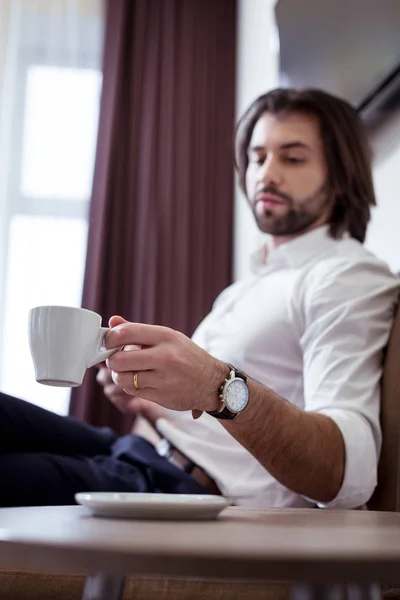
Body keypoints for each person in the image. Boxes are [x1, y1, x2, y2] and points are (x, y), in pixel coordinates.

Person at [0, 88, 398, 509]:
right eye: (258, 157)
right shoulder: (247, 287)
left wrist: (215, 386)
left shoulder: (345, 276)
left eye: (292, 158)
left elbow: (345, 473)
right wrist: (147, 399)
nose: (266, 174)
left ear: (341, 178)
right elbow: (208, 418)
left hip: (183, 490)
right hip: (139, 454)